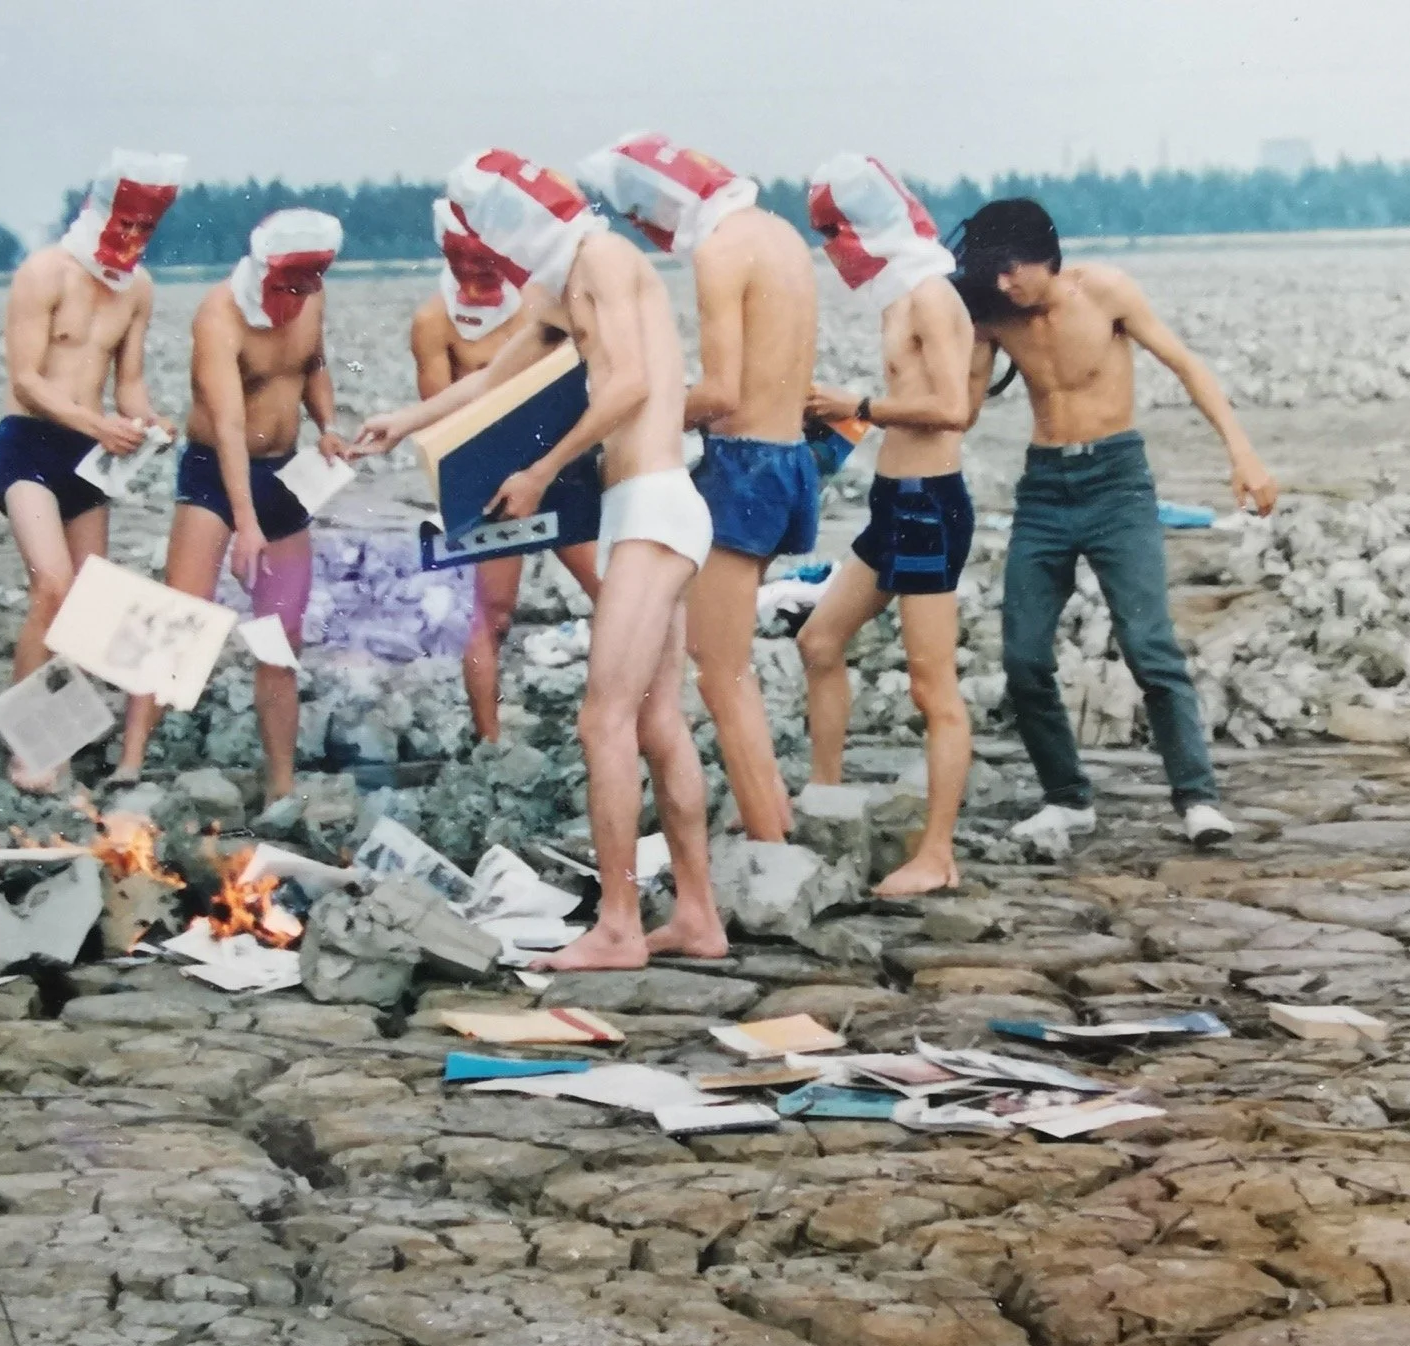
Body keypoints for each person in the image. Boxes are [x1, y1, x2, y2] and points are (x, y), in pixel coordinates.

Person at [355, 152, 726, 970]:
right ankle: (697, 916)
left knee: (604, 721)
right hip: (653, 507)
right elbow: (495, 375)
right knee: (657, 722)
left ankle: (620, 926)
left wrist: (537, 470)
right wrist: (406, 418)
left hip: (654, 504)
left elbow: (625, 385)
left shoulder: (599, 263)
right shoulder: (572, 279)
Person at [955, 198, 1276, 849]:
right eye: (991, 271)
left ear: (1045, 257)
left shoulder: (1104, 292)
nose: (1002, 283)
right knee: (1021, 655)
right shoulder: (990, 313)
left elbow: (1185, 365)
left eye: (1012, 269)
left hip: (1116, 482)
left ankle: (1196, 798)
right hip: (1043, 488)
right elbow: (959, 412)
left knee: (1147, 644)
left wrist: (1240, 452)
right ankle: (1066, 798)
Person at [577, 135, 818, 842]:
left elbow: (719, 391)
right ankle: (768, 812)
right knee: (730, 661)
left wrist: (636, 420)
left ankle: (771, 844)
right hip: (790, 461)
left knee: (719, 672)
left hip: (741, 465)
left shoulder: (718, 251)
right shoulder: (778, 234)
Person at [792, 155, 977, 897]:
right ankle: (825, 799)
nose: (834, 248)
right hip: (892, 501)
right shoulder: (899, 299)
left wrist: (859, 402)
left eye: (837, 231)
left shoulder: (931, 298)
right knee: (817, 639)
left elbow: (951, 408)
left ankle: (937, 853)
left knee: (933, 690)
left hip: (930, 502)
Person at [116, 210, 348, 799]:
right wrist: (245, 524)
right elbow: (228, 421)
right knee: (182, 615)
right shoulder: (219, 315)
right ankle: (132, 757)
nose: (296, 299)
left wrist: (326, 425)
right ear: (263, 272)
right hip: (216, 474)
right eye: (287, 287)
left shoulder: (312, 304)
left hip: (285, 476)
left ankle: (280, 783)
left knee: (281, 635)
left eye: (306, 288)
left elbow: (314, 365)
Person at [0, 150, 185, 790]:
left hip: (88, 456)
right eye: (123, 226)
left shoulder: (139, 288)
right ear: (97, 214)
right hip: (30, 443)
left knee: (82, 602)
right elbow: (25, 381)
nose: (132, 241)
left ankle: (57, 741)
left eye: (143, 230)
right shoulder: (45, 272)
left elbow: (127, 383)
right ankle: (27, 746)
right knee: (50, 584)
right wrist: (94, 421)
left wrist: (148, 421)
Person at [412, 199, 601, 742]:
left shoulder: (536, 305)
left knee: (611, 589)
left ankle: (618, 715)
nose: (478, 277)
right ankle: (490, 740)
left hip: (558, 462)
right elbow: (443, 420)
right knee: (492, 614)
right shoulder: (432, 321)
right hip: (492, 479)